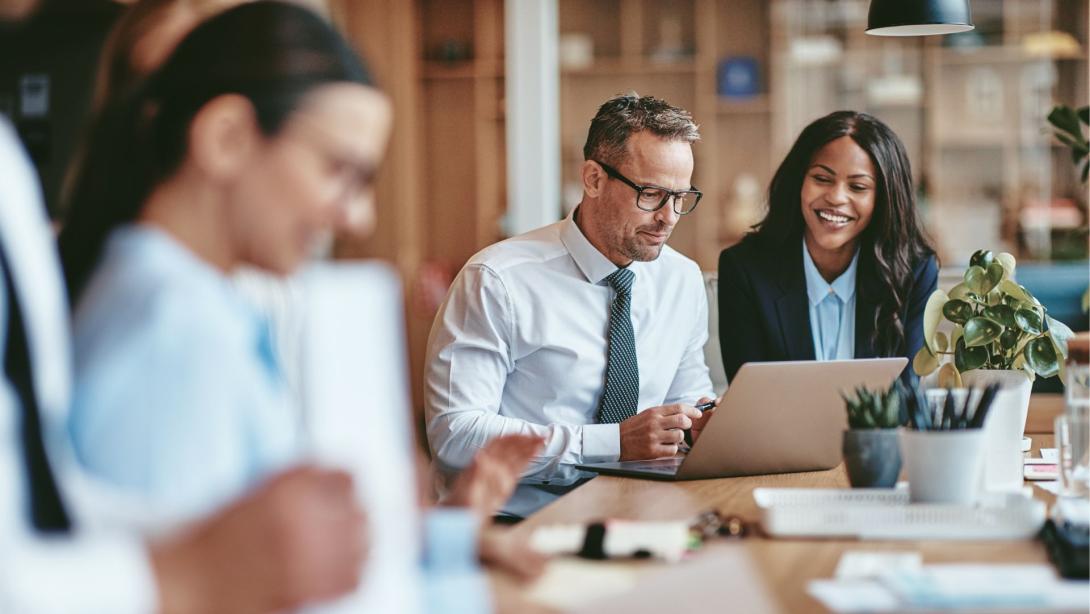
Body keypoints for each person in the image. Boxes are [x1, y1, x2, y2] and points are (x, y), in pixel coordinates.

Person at [0, 1, 367, 611]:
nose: (357, 215)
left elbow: (47, 503)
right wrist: (188, 575)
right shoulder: (167, 324)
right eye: (338, 170)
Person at [425, 93, 718, 519]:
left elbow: (687, 395)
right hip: (514, 522)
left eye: (681, 197)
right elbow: (455, 436)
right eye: (652, 194)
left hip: (640, 516)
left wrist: (703, 421)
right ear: (594, 179)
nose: (669, 217)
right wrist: (612, 443)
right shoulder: (498, 279)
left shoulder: (682, 278)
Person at [718, 111, 938, 385]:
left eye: (858, 187)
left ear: (883, 199)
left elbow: (905, 398)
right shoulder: (744, 270)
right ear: (798, 181)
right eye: (822, 179)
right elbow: (749, 396)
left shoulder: (914, 271)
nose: (836, 197)